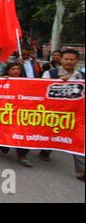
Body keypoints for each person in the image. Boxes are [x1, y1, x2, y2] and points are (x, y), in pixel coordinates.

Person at [41, 49, 85, 181]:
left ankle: (81, 171)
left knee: (78, 140)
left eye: (72, 59)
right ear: (61, 60)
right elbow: (40, 89)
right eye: (66, 59)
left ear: (76, 61)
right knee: (50, 135)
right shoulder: (50, 73)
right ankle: (45, 151)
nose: (69, 62)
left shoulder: (81, 77)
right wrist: (59, 82)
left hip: (75, 116)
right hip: (54, 114)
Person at [0, 62, 33, 167]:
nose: (16, 71)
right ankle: (4, 148)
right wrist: (2, 81)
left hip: (21, 112)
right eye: (13, 69)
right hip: (6, 112)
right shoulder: (2, 81)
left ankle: (22, 155)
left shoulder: (27, 82)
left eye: (18, 69)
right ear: (8, 71)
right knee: (5, 133)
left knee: (23, 133)